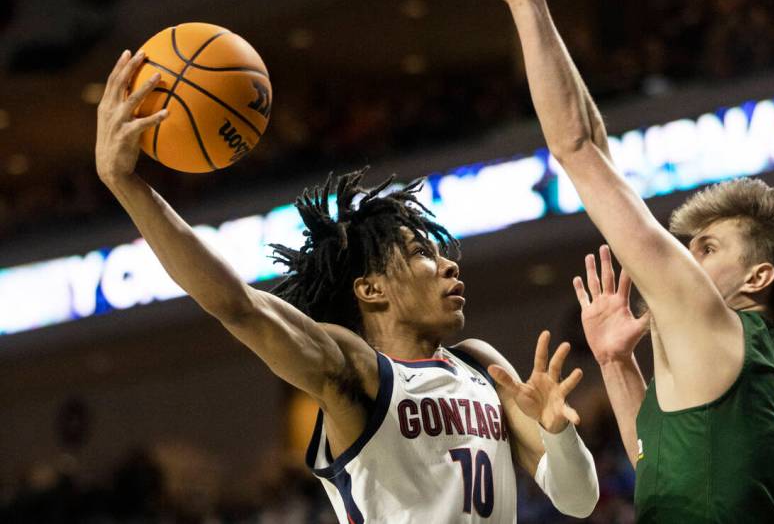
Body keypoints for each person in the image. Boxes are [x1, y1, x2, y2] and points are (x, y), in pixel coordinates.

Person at [95, 29, 597, 524]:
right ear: (371, 288)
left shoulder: (482, 367)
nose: (448, 265)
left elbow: (579, 500)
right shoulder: (357, 373)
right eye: (422, 252)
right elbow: (238, 304)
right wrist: (127, 185)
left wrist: (557, 432)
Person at [448, 0, 774, 522]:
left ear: (758, 277)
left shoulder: (713, 319)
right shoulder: (768, 372)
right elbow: (658, 467)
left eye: (707, 247)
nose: (683, 257)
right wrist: (617, 364)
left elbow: (579, 148)